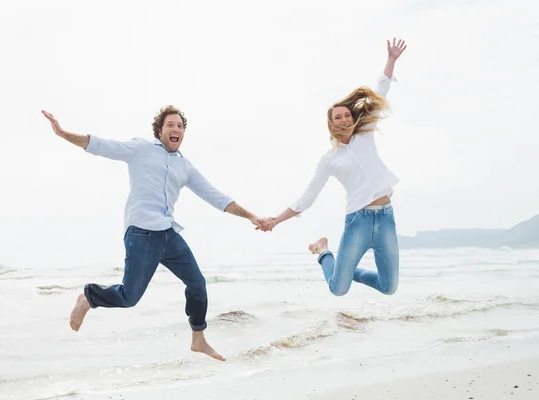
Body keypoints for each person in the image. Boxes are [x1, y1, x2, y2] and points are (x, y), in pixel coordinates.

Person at [41, 106, 269, 361]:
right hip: (141, 231)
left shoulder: (185, 166)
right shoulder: (141, 149)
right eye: (170, 125)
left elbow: (216, 197)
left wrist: (252, 216)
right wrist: (63, 133)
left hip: (168, 234)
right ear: (160, 130)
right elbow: (100, 145)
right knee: (129, 298)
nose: (176, 129)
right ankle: (89, 297)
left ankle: (198, 339)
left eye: (180, 126)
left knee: (197, 284)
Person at [260, 38, 407, 297]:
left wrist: (391, 60)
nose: (343, 119)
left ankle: (345, 271)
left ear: (352, 118)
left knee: (389, 287)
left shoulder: (366, 134)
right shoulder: (329, 159)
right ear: (331, 124)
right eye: (337, 117)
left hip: (385, 218)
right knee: (338, 289)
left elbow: (380, 91)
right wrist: (276, 220)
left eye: (347, 115)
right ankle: (323, 251)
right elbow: (308, 196)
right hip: (358, 221)